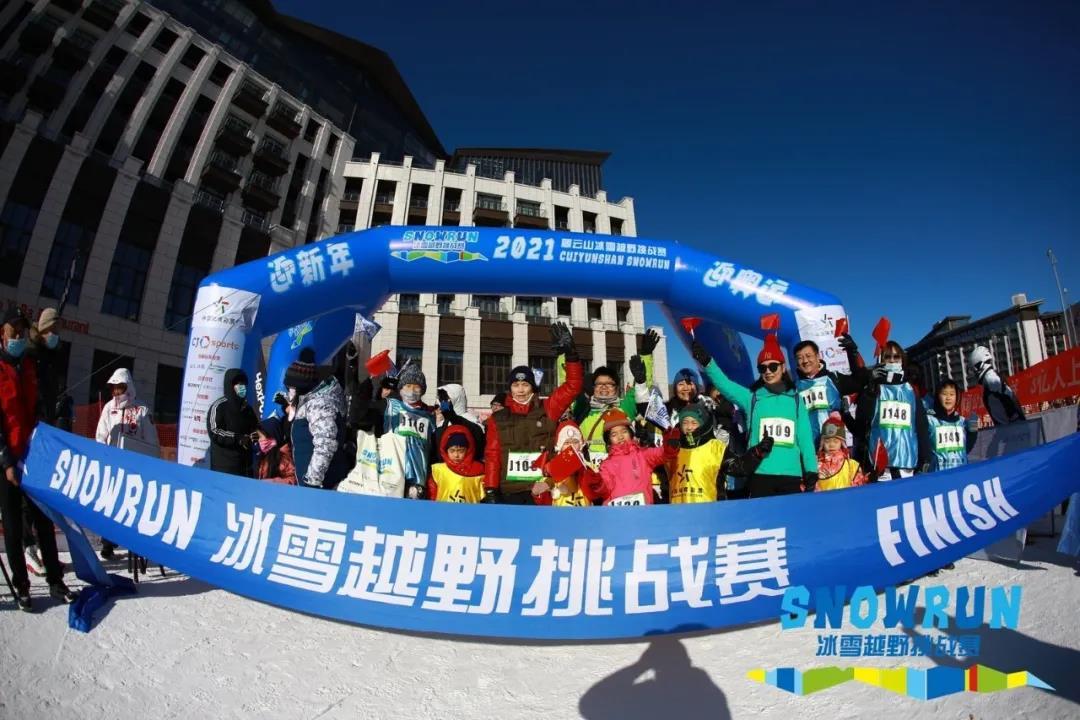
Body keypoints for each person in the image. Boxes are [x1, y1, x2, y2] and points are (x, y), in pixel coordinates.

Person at [0, 307, 76, 610]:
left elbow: (40, 404)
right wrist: (6, 461)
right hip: (7, 460)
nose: (18, 337)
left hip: (34, 456)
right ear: (2, 334)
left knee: (44, 520)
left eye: (22, 332)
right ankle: (22, 586)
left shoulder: (30, 365)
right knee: (14, 527)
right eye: (13, 332)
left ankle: (56, 582)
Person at [692, 335, 818, 496]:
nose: (768, 371)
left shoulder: (796, 400)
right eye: (762, 368)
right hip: (760, 473)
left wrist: (811, 470)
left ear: (783, 367)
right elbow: (725, 385)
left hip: (791, 474)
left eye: (773, 366)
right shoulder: (752, 398)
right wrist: (708, 363)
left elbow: (805, 439)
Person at [484, 323, 583, 504]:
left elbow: (573, 386)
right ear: (510, 388)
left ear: (533, 387)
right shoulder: (497, 418)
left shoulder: (548, 408)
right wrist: (491, 489)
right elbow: (493, 455)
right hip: (510, 491)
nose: (520, 390)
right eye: (516, 385)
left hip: (542, 488)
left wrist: (571, 355)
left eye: (525, 385)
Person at [95, 366, 158, 559]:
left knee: (133, 504)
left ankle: (135, 545)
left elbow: (151, 440)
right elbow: (100, 434)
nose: (116, 391)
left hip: (135, 467)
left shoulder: (142, 409)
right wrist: (102, 455)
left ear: (127, 386)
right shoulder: (108, 408)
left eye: (120, 387)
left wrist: (150, 464)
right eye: (113, 388)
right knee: (109, 503)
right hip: (112, 465)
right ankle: (107, 543)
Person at [574, 329, 660, 465]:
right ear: (593, 387)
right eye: (599, 384)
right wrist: (567, 355)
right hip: (589, 473)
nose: (604, 387)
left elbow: (642, 386)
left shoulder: (624, 408)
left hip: (620, 471)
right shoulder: (583, 409)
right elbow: (568, 386)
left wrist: (645, 355)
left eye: (609, 384)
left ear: (616, 388)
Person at [351, 361, 436, 498]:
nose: (412, 390)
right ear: (401, 388)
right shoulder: (388, 407)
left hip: (416, 486)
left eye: (416, 386)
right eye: (408, 386)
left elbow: (433, 454)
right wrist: (367, 383)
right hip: (388, 481)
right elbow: (358, 417)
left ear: (423, 390)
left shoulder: (428, 418)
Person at [855, 341, 931, 480]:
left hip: (906, 462)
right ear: (881, 360)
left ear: (902, 360)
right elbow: (862, 419)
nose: (892, 360)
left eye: (896, 357)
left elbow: (921, 426)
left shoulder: (911, 390)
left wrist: (925, 457)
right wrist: (871, 387)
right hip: (880, 466)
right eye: (887, 356)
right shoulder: (875, 387)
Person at [668, 402, 773, 503]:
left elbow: (740, 467)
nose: (689, 427)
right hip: (677, 510)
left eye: (694, 423)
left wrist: (757, 451)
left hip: (710, 510)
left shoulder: (715, 448)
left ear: (703, 424)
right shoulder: (672, 449)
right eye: (685, 422)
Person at [580, 409, 675, 506]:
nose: (620, 437)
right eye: (614, 434)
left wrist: (670, 445)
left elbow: (662, 454)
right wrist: (597, 483)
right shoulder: (607, 465)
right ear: (609, 440)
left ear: (630, 433)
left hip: (642, 511)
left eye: (624, 431)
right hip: (616, 512)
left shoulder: (643, 455)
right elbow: (604, 487)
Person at [285, 348, 349, 489]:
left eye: (291, 387)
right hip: (311, 484)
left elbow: (325, 443)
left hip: (320, 486)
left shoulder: (319, 404)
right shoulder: (309, 402)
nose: (289, 391)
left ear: (301, 386)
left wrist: (312, 481)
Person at [792, 334, 868, 446]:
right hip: (807, 448)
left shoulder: (834, 379)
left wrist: (852, 353)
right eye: (800, 358)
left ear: (818, 356)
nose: (805, 361)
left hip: (833, 447)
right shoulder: (793, 388)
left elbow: (860, 382)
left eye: (808, 356)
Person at [207, 368, 258, 477]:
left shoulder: (247, 409)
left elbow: (255, 427)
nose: (242, 387)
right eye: (238, 384)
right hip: (224, 468)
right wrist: (238, 438)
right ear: (230, 385)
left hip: (245, 467)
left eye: (243, 384)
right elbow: (214, 431)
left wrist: (255, 436)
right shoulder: (219, 406)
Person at [532, 421, 596, 507]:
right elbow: (544, 501)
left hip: (584, 512)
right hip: (560, 513)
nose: (571, 446)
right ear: (560, 446)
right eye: (566, 443)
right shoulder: (553, 468)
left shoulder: (589, 467)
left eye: (575, 442)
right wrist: (539, 493)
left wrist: (584, 471)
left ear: (581, 445)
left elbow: (597, 490)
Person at [927, 379, 978, 472]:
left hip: (961, 473)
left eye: (952, 394)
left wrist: (973, 432)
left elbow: (967, 448)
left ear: (957, 397)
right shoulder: (929, 421)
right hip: (938, 475)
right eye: (944, 394)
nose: (948, 398)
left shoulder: (962, 422)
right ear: (938, 396)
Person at [968, 346, 1026, 426]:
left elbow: (1010, 399)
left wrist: (1016, 424)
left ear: (979, 365)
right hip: (1009, 428)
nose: (974, 373)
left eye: (973, 369)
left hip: (1011, 429)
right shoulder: (990, 379)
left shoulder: (991, 379)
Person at [427, 426, 485, 503]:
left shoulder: (478, 471)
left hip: (470, 510)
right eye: (452, 451)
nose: (456, 455)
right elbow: (431, 496)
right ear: (446, 450)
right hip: (443, 509)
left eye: (461, 451)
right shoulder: (438, 471)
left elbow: (483, 497)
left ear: (468, 450)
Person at [815, 412, 870, 491]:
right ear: (822, 443)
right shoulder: (815, 465)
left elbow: (860, 489)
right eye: (827, 441)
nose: (831, 445)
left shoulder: (851, 465)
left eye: (836, 441)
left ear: (842, 443)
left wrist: (868, 479)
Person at [434, 383, 485, 462]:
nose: (443, 402)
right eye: (442, 399)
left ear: (456, 398)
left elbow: (477, 444)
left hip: (467, 467)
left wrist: (452, 417)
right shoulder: (443, 423)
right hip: (444, 468)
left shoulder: (471, 421)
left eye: (447, 398)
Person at [254, 416, 296, 485]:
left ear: (272, 436)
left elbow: (293, 479)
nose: (259, 440)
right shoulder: (263, 455)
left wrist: (273, 482)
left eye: (261, 437)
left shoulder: (283, 457)